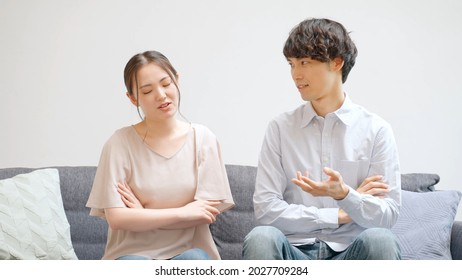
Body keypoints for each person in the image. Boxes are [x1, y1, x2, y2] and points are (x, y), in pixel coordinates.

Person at [242, 18, 401, 260]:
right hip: (294, 250)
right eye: (291, 64)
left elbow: (386, 215)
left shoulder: (376, 130)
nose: (296, 74)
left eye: (304, 62)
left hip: (351, 251)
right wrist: (342, 212)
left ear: (337, 62)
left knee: (380, 239)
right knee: (261, 237)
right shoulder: (280, 128)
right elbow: (265, 210)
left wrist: (344, 195)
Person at [86, 50, 234, 260]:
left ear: (177, 81)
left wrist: (141, 215)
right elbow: (117, 219)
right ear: (132, 98)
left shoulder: (203, 139)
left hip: (188, 253)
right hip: (132, 255)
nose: (161, 95)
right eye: (147, 91)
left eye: (166, 84)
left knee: (194, 261)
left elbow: (205, 213)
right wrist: (183, 213)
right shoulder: (119, 144)